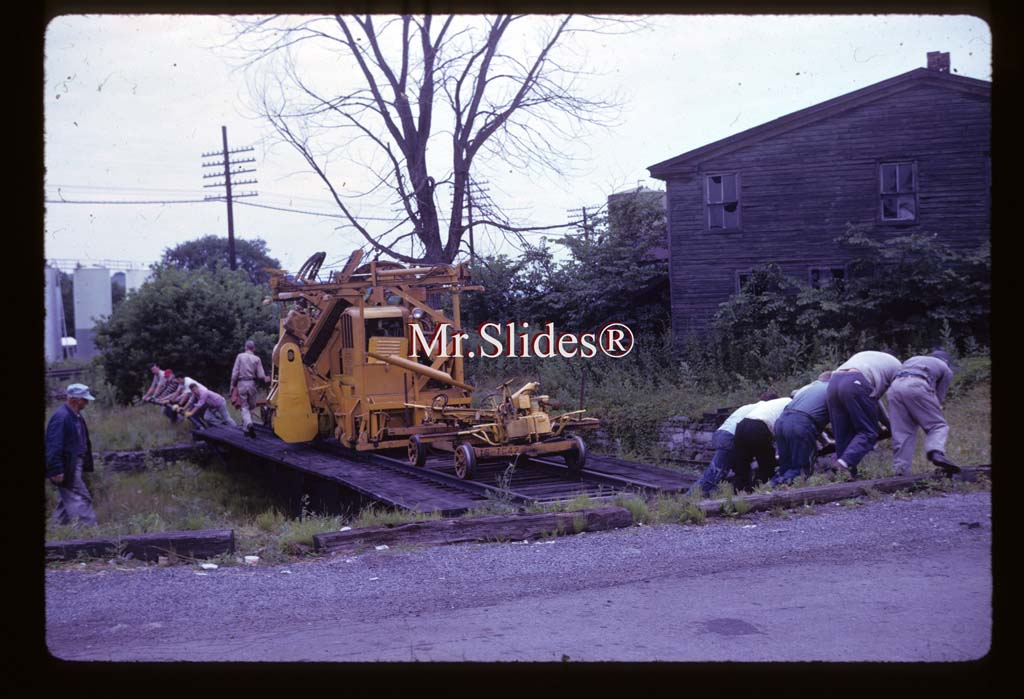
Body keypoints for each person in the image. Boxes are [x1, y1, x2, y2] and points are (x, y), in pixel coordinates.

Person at [826, 350, 901, 479]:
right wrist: (890, 426)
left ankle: (845, 474)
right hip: (855, 382)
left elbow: (872, 400)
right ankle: (843, 464)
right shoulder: (898, 367)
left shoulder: (868, 357)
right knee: (868, 432)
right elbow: (879, 400)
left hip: (833, 382)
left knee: (842, 433)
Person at [688, 392, 780, 497]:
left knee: (741, 472)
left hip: (721, 433)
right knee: (715, 474)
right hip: (731, 436)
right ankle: (689, 498)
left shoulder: (748, 406)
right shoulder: (765, 409)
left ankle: (740, 495)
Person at [887, 350, 960, 477]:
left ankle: (900, 470)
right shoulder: (945, 369)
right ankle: (936, 452)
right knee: (937, 426)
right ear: (946, 361)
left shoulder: (913, 359)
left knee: (903, 432)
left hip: (894, 388)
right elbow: (938, 398)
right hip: (917, 385)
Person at [45, 383, 98, 527]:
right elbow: (53, 445)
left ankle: (55, 530)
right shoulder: (61, 417)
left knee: (67, 499)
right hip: (67, 466)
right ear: (75, 399)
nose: (87, 402)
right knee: (81, 498)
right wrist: (56, 469)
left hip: (74, 463)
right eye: (84, 399)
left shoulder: (75, 415)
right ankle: (91, 533)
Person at [770, 371, 833, 486]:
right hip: (800, 424)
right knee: (801, 468)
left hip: (781, 422)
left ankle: (771, 489)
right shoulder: (832, 389)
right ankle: (792, 494)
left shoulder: (810, 388)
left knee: (785, 467)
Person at [729, 395, 792, 491]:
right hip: (759, 427)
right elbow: (785, 429)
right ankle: (759, 493)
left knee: (741, 466)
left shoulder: (774, 403)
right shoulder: (791, 403)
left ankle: (739, 495)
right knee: (767, 466)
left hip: (742, 425)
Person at [230, 339, 268, 437]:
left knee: (244, 407)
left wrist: (233, 385)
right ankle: (246, 430)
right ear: (253, 349)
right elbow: (261, 375)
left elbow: (235, 373)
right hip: (252, 384)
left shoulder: (240, 356)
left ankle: (248, 424)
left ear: (245, 347)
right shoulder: (257, 359)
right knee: (251, 406)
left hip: (241, 383)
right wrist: (266, 379)